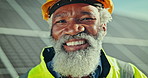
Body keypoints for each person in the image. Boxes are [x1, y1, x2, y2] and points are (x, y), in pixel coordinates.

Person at [19, 0, 147, 78]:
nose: (73, 29)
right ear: (52, 32)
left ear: (103, 28)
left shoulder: (129, 74)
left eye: (86, 18)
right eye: (61, 21)